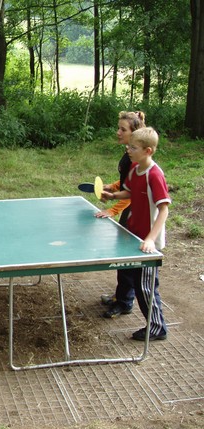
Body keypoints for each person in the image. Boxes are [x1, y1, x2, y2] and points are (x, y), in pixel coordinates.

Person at [100, 127, 169, 341]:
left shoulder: (154, 175)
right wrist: (112, 196)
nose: (128, 150)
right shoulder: (135, 169)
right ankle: (129, 306)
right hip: (134, 235)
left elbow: (164, 209)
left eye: (133, 147)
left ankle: (157, 328)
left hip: (148, 242)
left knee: (146, 287)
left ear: (148, 151)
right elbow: (129, 192)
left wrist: (150, 239)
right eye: (129, 146)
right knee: (135, 282)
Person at [96, 111, 146, 318]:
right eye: (118, 128)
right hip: (130, 211)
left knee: (127, 258)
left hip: (136, 212)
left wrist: (113, 210)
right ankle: (121, 295)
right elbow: (127, 181)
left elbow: (132, 192)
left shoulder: (135, 159)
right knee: (123, 256)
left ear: (134, 133)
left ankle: (125, 302)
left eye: (122, 129)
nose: (118, 132)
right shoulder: (128, 154)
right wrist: (113, 186)